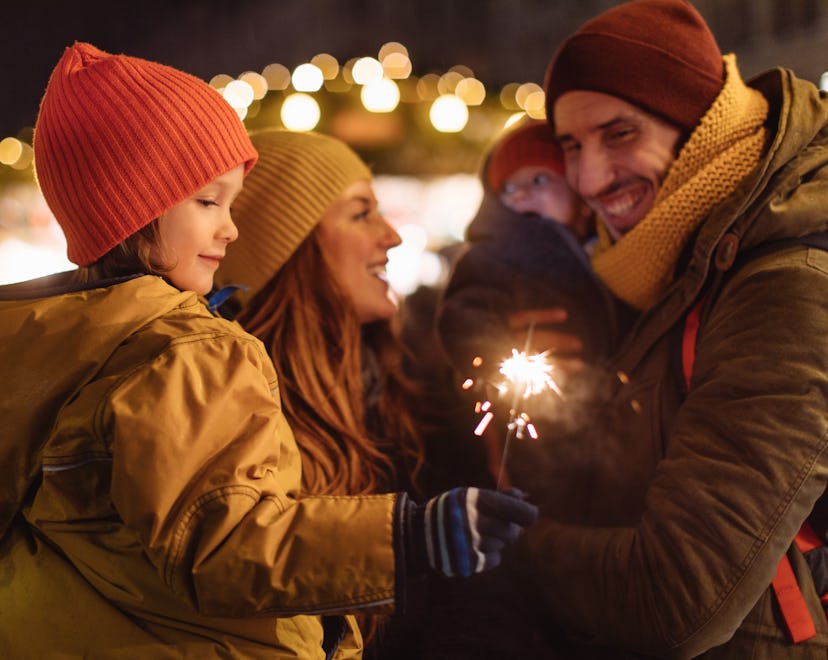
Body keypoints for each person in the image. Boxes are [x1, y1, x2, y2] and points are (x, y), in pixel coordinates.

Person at [0, 43, 538, 659]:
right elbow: (226, 543)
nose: (391, 235)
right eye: (361, 213)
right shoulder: (191, 358)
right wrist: (411, 535)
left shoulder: (72, 348)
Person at [510, 0, 828, 657]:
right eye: (572, 145)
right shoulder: (670, 262)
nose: (590, 178)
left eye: (619, 134)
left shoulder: (784, 286)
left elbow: (681, 594)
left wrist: (503, 543)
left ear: (698, 126)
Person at [215, 128, 488, 657]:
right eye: (361, 213)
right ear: (287, 248)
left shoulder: (407, 395)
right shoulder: (236, 427)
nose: (393, 235)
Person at [436, 117, 628, 499]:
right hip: (538, 416)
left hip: (607, 411)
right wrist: (493, 354)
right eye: (509, 188)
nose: (521, 196)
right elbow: (464, 313)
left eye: (538, 181)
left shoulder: (609, 251)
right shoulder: (495, 254)